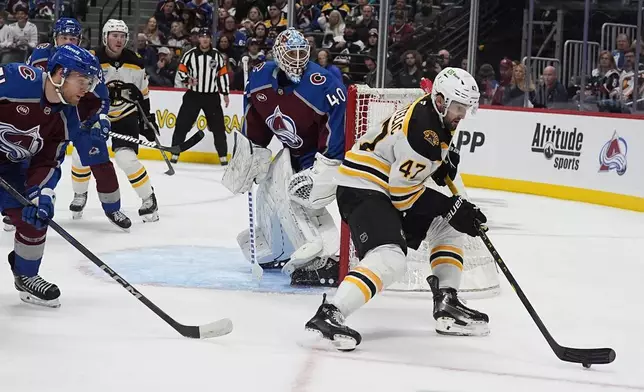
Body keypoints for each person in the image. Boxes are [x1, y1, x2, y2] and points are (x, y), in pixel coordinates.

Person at [304, 67, 490, 351]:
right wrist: (450, 205)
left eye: (467, 108)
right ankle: (331, 311)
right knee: (390, 259)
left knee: (447, 225)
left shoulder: (433, 114)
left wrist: (442, 166)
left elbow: (408, 166)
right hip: (363, 188)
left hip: (383, 185)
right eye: (459, 107)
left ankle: (447, 301)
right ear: (440, 100)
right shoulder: (423, 134)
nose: (462, 115)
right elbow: (404, 197)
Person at [221, 28, 346, 285]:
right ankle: (276, 248)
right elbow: (253, 117)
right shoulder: (260, 77)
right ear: (278, 54)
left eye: (302, 53)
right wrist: (250, 154)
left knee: (298, 198)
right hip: (292, 154)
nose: (297, 59)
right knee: (268, 192)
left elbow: (337, 124)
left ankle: (326, 257)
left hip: (321, 157)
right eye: (291, 53)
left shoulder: (323, 83)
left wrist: (327, 163)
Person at [0, 45, 102, 308]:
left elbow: (47, 160)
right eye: (82, 80)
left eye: (89, 83)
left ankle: (26, 276)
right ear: (60, 73)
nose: (86, 89)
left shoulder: (68, 116)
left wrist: (41, 194)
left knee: (34, 218)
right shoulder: (15, 81)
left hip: (11, 169)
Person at [26, 17, 132, 230]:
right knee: (37, 162)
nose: (67, 42)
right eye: (64, 37)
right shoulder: (40, 56)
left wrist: (101, 117)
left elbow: (101, 97)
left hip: (80, 121)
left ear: (80, 40)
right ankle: (24, 204)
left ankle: (113, 208)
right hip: (47, 120)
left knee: (100, 160)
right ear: (55, 38)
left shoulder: (86, 61)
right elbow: (30, 87)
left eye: (72, 38)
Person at [95, 19, 160, 222]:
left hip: (125, 115)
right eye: (114, 35)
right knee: (82, 157)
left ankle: (149, 198)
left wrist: (147, 119)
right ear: (105, 37)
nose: (119, 39)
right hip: (98, 115)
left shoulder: (136, 61)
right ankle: (80, 194)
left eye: (122, 36)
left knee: (126, 158)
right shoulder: (93, 59)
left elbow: (143, 94)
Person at [173, 27, 229, 165]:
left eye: (207, 37)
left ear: (210, 39)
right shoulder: (190, 55)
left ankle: (223, 156)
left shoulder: (217, 56)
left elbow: (222, 74)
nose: (204, 39)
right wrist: (187, 80)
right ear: (198, 39)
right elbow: (181, 71)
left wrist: (226, 93)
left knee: (218, 128)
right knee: (181, 125)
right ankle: (174, 153)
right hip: (193, 95)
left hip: (212, 96)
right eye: (202, 36)